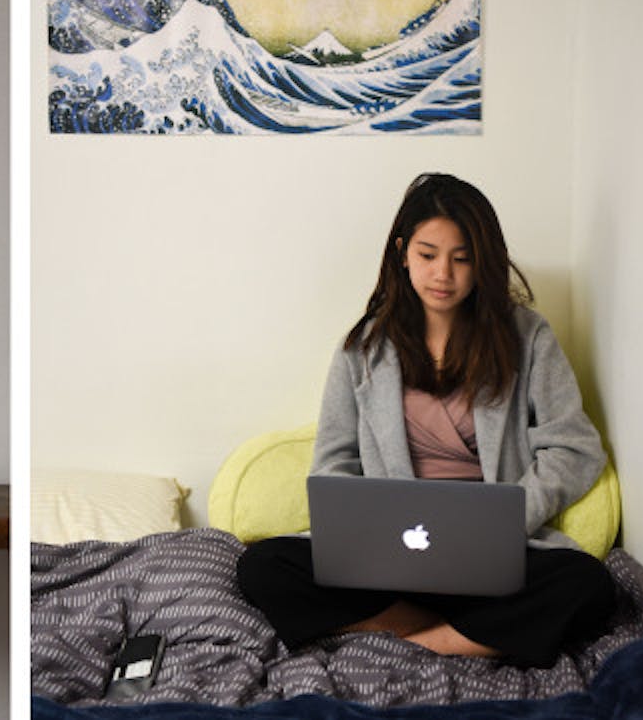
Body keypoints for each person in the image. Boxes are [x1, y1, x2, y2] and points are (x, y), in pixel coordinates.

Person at [236, 173, 615, 668]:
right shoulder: (362, 349)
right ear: (402, 252)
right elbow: (333, 464)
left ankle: (423, 644)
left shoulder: (528, 336)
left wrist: (507, 519)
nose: (443, 274)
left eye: (462, 258)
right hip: (390, 562)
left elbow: (574, 448)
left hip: (492, 556)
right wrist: (365, 534)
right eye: (428, 254)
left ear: (484, 261)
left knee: (591, 587)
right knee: (261, 567)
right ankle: (447, 632)